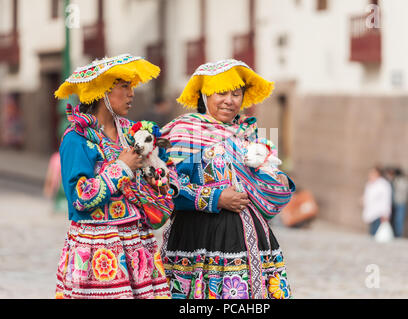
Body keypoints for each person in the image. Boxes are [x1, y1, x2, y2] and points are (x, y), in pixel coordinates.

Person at [160, 59, 296, 299]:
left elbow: (260, 175)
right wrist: (216, 198)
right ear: (204, 95)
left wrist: (276, 178)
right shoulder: (185, 132)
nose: (230, 100)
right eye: (221, 93)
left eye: (236, 93)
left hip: (252, 237)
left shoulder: (247, 132)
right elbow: (167, 187)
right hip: (199, 236)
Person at [53, 54, 178, 299]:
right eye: (124, 87)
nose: (131, 93)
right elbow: (79, 198)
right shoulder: (76, 138)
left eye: (131, 86)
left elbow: (162, 168)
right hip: (98, 246)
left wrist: (157, 179)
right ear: (102, 92)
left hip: (136, 241)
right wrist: (122, 166)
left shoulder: (132, 133)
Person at [362, 165, 392, 236]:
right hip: (371, 213)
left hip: (379, 214)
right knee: (372, 234)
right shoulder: (369, 184)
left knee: (376, 234)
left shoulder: (383, 184)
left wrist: (386, 214)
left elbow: (386, 200)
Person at [392, 168, 408, 237]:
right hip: (396, 202)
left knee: (399, 219)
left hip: (400, 202)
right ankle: (396, 233)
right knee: (396, 219)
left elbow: (405, 192)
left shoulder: (402, 181)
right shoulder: (397, 180)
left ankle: (398, 234)